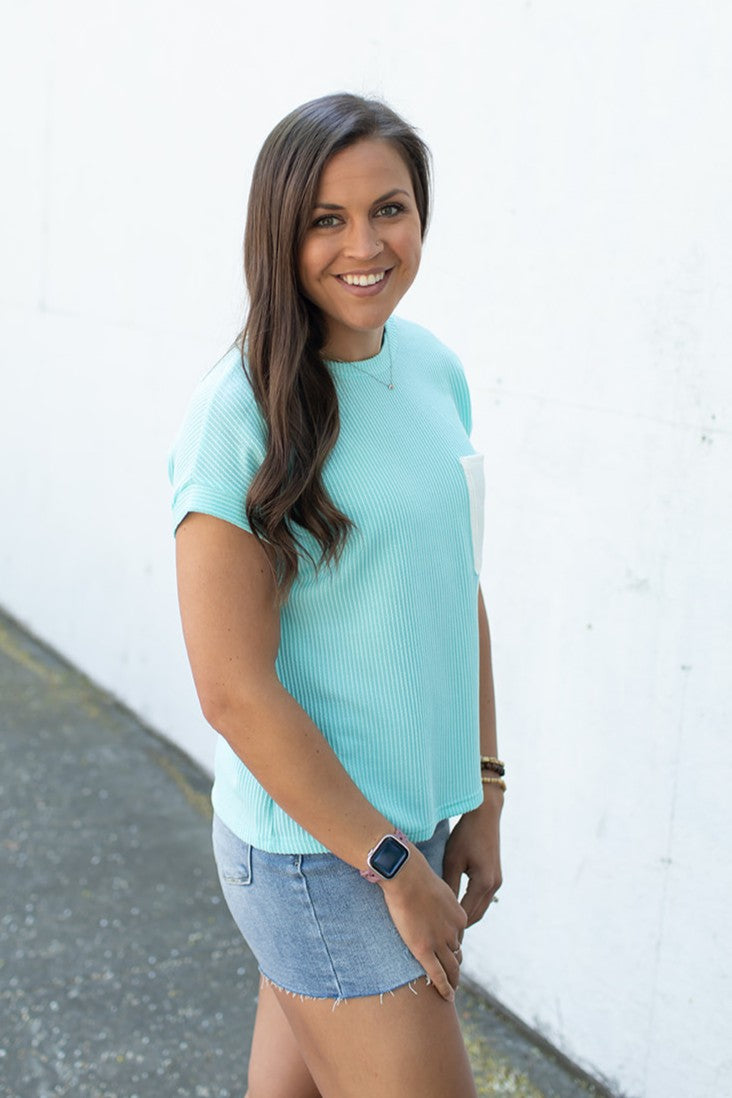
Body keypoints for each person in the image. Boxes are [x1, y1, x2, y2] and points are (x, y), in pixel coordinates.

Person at [169, 92, 504, 1098]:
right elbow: (232, 691)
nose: (366, 245)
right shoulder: (238, 415)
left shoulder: (432, 367)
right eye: (328, 219)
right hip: (323, 855)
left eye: (389, 209)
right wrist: (393, 865)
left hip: (413, 824)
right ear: (281, 233)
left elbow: (454, 588)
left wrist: (485, 789)